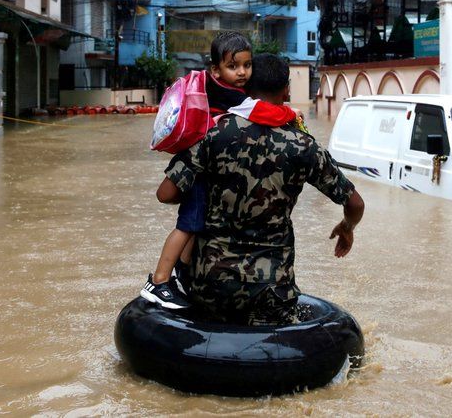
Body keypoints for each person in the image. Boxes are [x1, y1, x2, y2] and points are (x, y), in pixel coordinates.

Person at [155, 53, 364, 325]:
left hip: (209, 287)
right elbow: (355, 203)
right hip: (273, 292)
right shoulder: (304, 145)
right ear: (287, 90)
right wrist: (347, 227)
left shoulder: (215, 133)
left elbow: (166, 193)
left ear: (245, 89)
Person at [140, 31, 253, 309]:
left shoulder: (214, 85)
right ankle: (159, 280)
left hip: (201, 171)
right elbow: (252, 113)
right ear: (216, 69)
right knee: (187, 225)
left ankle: (181, 273)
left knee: (197, 224)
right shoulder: (228, 94)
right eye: (233, 66)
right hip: (199, 173)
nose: (242, 72)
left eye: (247, 65)